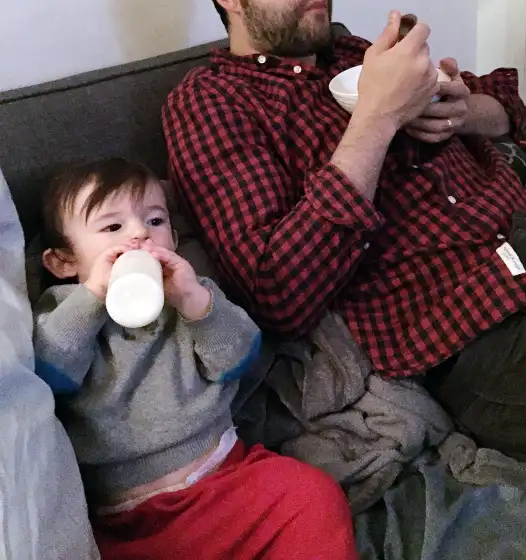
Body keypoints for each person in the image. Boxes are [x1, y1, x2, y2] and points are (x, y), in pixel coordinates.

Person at [163, 0, 526, 474]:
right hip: (485, 318)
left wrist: (456, 108)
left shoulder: (354, 51)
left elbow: (507, 104)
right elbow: (276, 293)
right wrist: (378, 116)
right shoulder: (211, 102)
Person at [33, 158, 358, 560]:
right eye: (112, 227)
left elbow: (239, 359)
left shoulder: (190, 293)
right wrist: (94, 296)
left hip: (225, 482)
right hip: (128, 520)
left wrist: (196, 304)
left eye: (155, 221)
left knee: (312, 496)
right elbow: (48, 372)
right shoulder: (65, 311)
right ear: (63, 262)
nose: (139, 234)